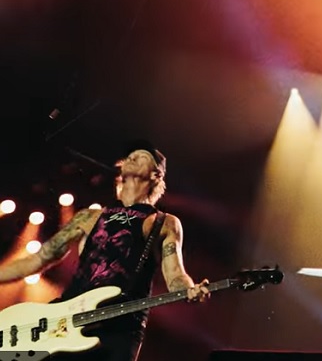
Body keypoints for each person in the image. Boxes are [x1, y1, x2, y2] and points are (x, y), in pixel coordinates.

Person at [0, 142, 211, 361]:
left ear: (156, 174)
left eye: (141, 156)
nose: (132, 157)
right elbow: (38, 259)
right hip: (67, 318)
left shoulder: (164, 222)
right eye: (130, 155)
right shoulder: (89, 217)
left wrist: (189, 290)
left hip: (120, 325)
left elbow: (175, 274)